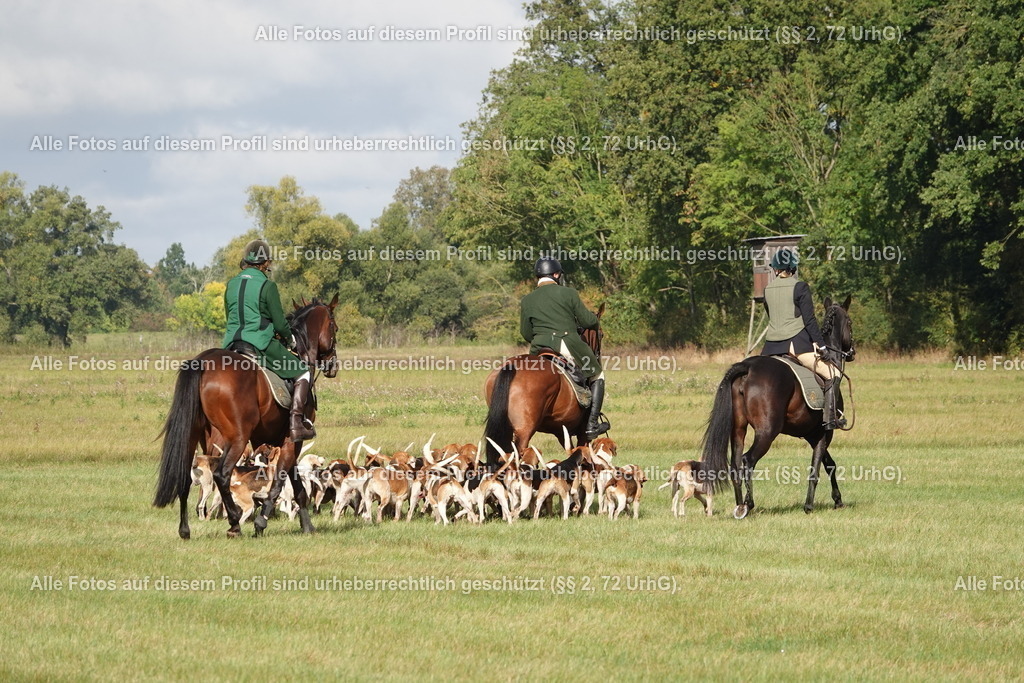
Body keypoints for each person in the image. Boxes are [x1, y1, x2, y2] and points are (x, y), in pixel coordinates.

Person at [222, 239, 316, 442]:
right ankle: (296, 425)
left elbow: (229, 316)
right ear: (265, 263)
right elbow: (280, 323)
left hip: (230, 344)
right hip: (259, 343)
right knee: (303, 373)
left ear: (245, 260)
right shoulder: (267, 285)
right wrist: (290, 339)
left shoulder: (231, 284)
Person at [520, 256, 610, 440]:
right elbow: (587, 321)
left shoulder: (527, 299)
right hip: (565, 344)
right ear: (555, 274)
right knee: (597, 374)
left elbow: (526, 333)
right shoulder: (568, 293)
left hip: (539, 349)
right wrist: (594, 320)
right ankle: (591, 425)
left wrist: (540, 338)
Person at [760, 248, 845, 430]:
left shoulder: (767, 290)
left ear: (775, 269)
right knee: (833, 374)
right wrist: (822, 346)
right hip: (795, 344)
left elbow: (772, 317)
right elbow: (809, 320)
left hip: (770, 348)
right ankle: (831, 418)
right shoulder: (800, 287)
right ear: (792, 267)